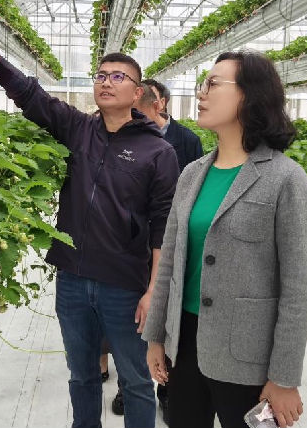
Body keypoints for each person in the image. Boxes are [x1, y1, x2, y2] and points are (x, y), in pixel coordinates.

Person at [0, 19, 179, 428]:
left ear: (138, 93)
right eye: (100, 75)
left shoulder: (158, 151)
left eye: (118, 77)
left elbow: (163, 227)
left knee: (136, 381)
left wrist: (154, 290)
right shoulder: (79, 129)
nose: (105, 82)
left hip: (125, 285)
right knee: (82, 375)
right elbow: (30, 95)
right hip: (73, 280)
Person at [141, 51, 307, 428]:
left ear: (251, 96)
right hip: (185, 344)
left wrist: (284, 378)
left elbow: (297, 289)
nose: (201, 94)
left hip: (247, 354)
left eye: (213, 84)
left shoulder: (286, 179)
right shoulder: (192, 174)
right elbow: (169, 261)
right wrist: (157, 336)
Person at [108, 79, 204, 422]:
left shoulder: (187, 141)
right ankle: (128, 384)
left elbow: (195, 191)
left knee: (165, 312)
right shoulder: (124, 136)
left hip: (171, 238)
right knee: (134, 314)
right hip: (133, 240)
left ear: (155, 105)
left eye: (139, 112)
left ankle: (166, 388)